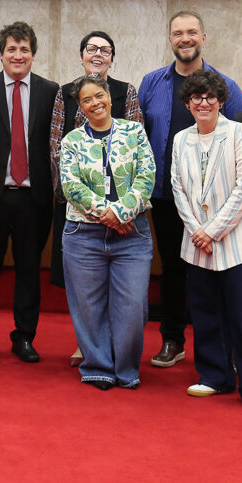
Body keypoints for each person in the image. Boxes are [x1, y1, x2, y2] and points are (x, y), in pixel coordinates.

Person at [138, 11, 242, 368]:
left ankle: (219, 346)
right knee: (172, 268)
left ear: (204, 37)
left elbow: (240, 138)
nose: (185, 38)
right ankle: (173, 339)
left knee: (218, 272)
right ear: (170, 39)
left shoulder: (226, 86)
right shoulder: (151, 83)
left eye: (192, 32)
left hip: (216, 201)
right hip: (166, 196)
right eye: (178, 33)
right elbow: (139, 138)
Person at [170, 69, 242, 412]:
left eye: (210, 97)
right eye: (196, 98)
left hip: (238, 242)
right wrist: (196, 230)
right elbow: (177, 188)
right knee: (205, 313)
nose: (203, 103)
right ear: (187, 103)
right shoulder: (181, 139)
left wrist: (210, 231)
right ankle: (215, 376)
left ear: (222, 101)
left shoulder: (240, 133)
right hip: (197, 243)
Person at [0, 21, 59, 363]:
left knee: (29, 270)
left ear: (33, 54)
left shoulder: (51, 91)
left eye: (24, 50)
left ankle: (24, 337)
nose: (18, 56)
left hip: (34, 198)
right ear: (1, 54)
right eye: (12, 49)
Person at [49, 31, 144, 367]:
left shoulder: (126, 92)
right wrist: (84, 202)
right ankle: (89, 346)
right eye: (91, 49)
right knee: (86, 286)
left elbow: (137, 150)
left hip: (124, 209)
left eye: (105, 50)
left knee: (122, 288)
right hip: (78, 205)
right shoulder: (65, 92)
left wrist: (122, 209)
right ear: (82, 55)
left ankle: (116, 347)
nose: (98, 54)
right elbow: (55, 146)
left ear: (112, 58)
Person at [59, 76, 155, 390]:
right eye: (87, 100)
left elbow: (147, 176)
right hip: (83, 234)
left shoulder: (134, 132)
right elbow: (71, 185)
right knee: (88, 306)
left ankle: (126, 368)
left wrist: (122, 213)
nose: (95, 103)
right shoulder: (71, 141)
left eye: (99, 96)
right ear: (80, 107)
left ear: (110, 97)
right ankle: (98, 366)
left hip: (132, 234)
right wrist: (109, 215)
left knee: (132, 307)